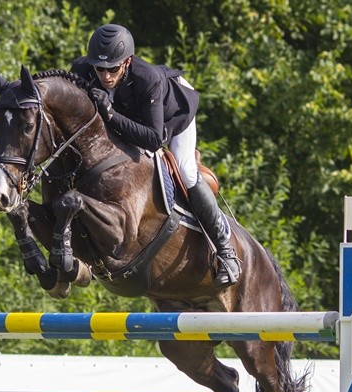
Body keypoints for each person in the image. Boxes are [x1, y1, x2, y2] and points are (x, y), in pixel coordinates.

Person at [71, 24, 241, 288]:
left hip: (172, 114)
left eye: (112, 69)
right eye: (99, 69)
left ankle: (226, 250)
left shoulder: (145, 78)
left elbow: (153, 138)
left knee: (185, 171)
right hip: (136, 119)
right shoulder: (84, 70)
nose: (105, 76)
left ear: (126, 62)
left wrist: (111, 114)